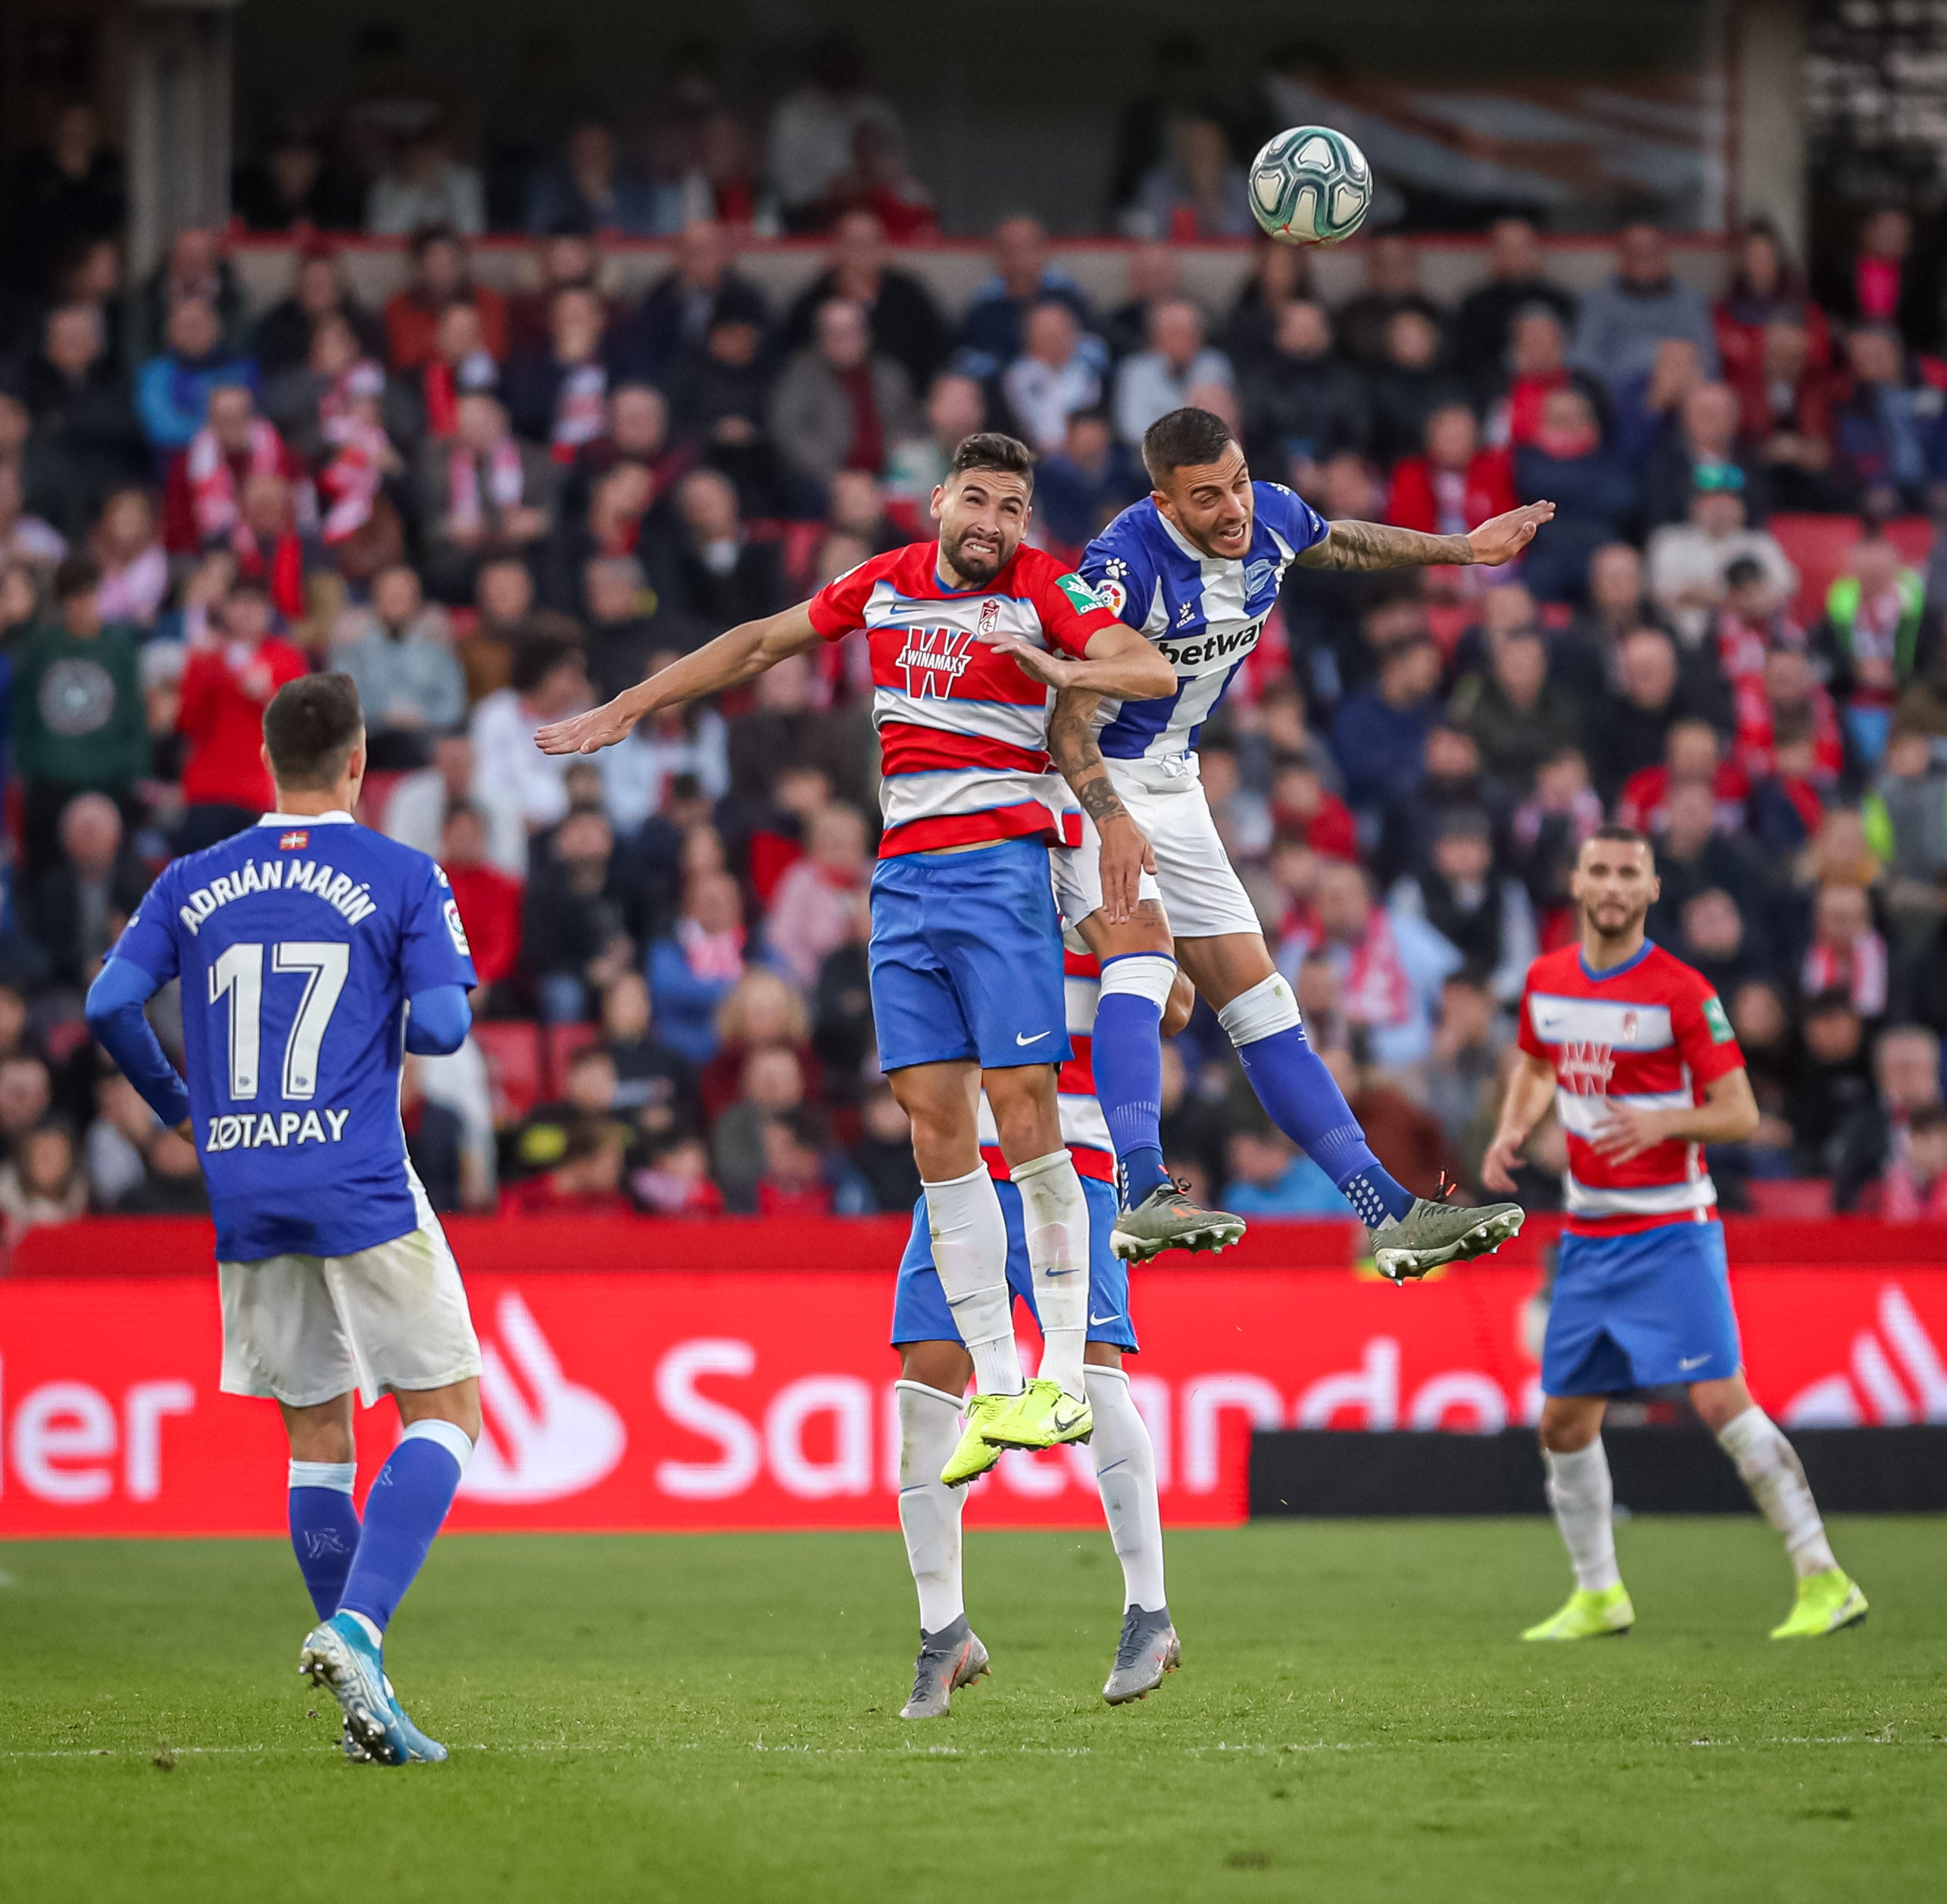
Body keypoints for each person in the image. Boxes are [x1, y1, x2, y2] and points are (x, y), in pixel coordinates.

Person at [535, 432, 1175, 1482]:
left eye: (1010, 508)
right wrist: (629, 706)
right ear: (936, 502)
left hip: (999, 872)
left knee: (1020, 1107)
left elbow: (1139, 663)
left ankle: (1060, 1374)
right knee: (933, 1132)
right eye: (976, 500)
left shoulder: (1042, 589)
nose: (991, 523)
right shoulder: (879, 585)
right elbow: (752, 645)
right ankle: (1002, 1383)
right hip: (902, 886)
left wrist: (1060, 666)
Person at [1032, 407, 1540, 1267]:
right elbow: (1068, 725)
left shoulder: (1265, 511)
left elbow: (1332, 540)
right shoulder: (1122, 569)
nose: (1233, 510)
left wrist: (1463, 548)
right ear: (1163, 502)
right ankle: (1143, 1191)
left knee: (1262, 1002)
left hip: (1175, 774)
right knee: (1147, 962)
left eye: (1236, 483)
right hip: (1088, 782)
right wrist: (1111, 824)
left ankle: (1388, 1214)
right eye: (1206, 498)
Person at [84, 672, 482, 1762]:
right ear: (358, 762)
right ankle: (356, 1627)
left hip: (243, 1179)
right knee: (446, 1410)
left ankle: (369, 1707)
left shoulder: (192, 876)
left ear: (267, 762)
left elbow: (109, 1003)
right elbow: (443, 1030)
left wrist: (183, 1115)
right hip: (358, 1176)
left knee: (316, 1429)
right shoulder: (401, 873)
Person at [1481, 826, 1867, 1642]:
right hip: (1588, 1237)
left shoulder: (1682, 992)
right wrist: (1512, 1129)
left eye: (1630, 873)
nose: (1614, 886)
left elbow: (1741, 1112)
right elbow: (1539, 1063)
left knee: (1721, 1399)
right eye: (1601, 871)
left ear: (1653, 890)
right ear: (1578, 884)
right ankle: (1599, 1594)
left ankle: (1823, 1574)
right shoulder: (1547, 981)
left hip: (1670, 1231)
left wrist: (1663, 1120)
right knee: (1563, 1422)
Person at [892, 944, 1191, 1717]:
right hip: (960, 1177)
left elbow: (1180, 1000)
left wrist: (1130, 946)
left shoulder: (1097, 885)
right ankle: (942, 1633)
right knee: (923, 1393)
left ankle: (1149, 1613)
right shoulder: (962, 885)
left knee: (1092, 1380)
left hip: (1074, 1167)